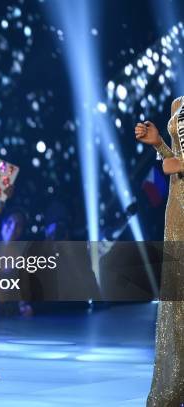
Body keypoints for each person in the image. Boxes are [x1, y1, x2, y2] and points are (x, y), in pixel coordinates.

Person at [135, 99, 184, 406]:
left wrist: (179, 164)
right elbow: (173, 161)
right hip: (178, 208)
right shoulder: (178, 104)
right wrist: (158, 145)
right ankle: (174, 386)